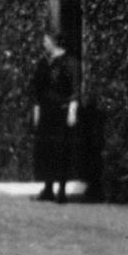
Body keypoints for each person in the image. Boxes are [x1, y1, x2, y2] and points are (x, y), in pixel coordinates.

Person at [32, 27, 80, 204]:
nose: (44, 43)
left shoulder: (70, 62)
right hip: (46, 111)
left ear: (54, 42)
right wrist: (37, 109)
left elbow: (75, 88)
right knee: (46, 150)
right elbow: (37, 88)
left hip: (62, 110)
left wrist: (72, 110)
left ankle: (61, 190)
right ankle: (48, 188)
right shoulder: (44, 62)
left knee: (61, 150)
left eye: (46, 40)